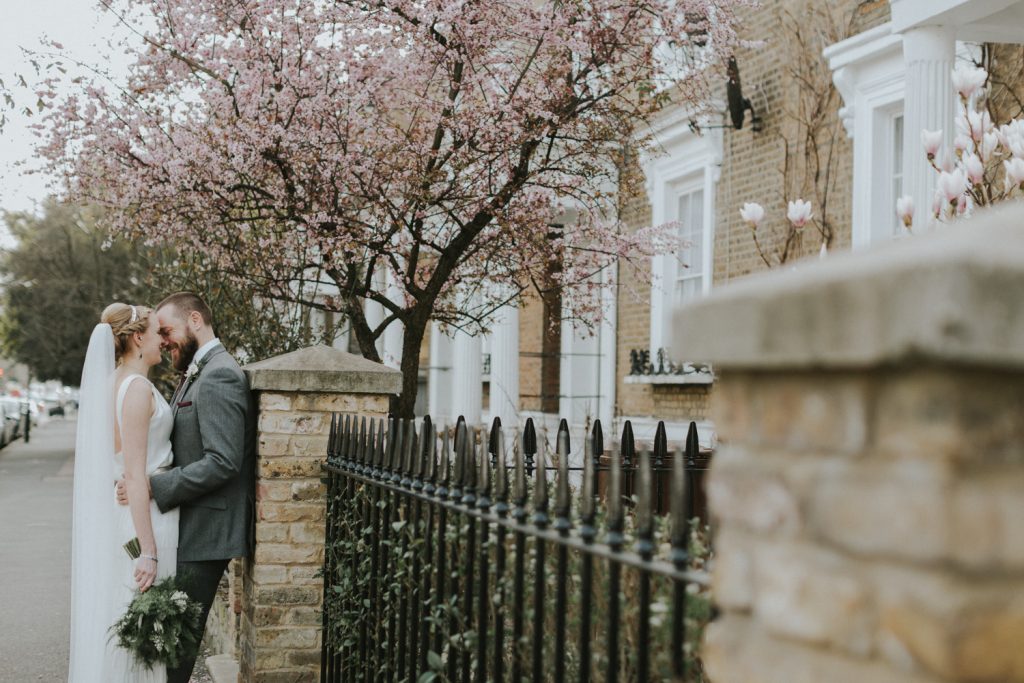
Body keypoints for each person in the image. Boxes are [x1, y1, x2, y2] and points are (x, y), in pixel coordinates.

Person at [116, 292, 256, 683]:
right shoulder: (200, 370)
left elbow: (223, 461)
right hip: (187, 524)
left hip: (207, 532)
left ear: (195, 320)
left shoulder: (220, 374)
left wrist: (155, 484)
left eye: (168, 330)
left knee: (176, 653)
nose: (164, 339)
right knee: (168, 649)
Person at [69, 303, 178, 682]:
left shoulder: (114, 382)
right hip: (143, 520)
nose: (163, 341)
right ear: (137, 338)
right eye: (156, 332)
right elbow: (133, 473)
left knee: (129, 619)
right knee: (139, 624)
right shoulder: (135, 389)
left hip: (131, 509)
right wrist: (148, 551)